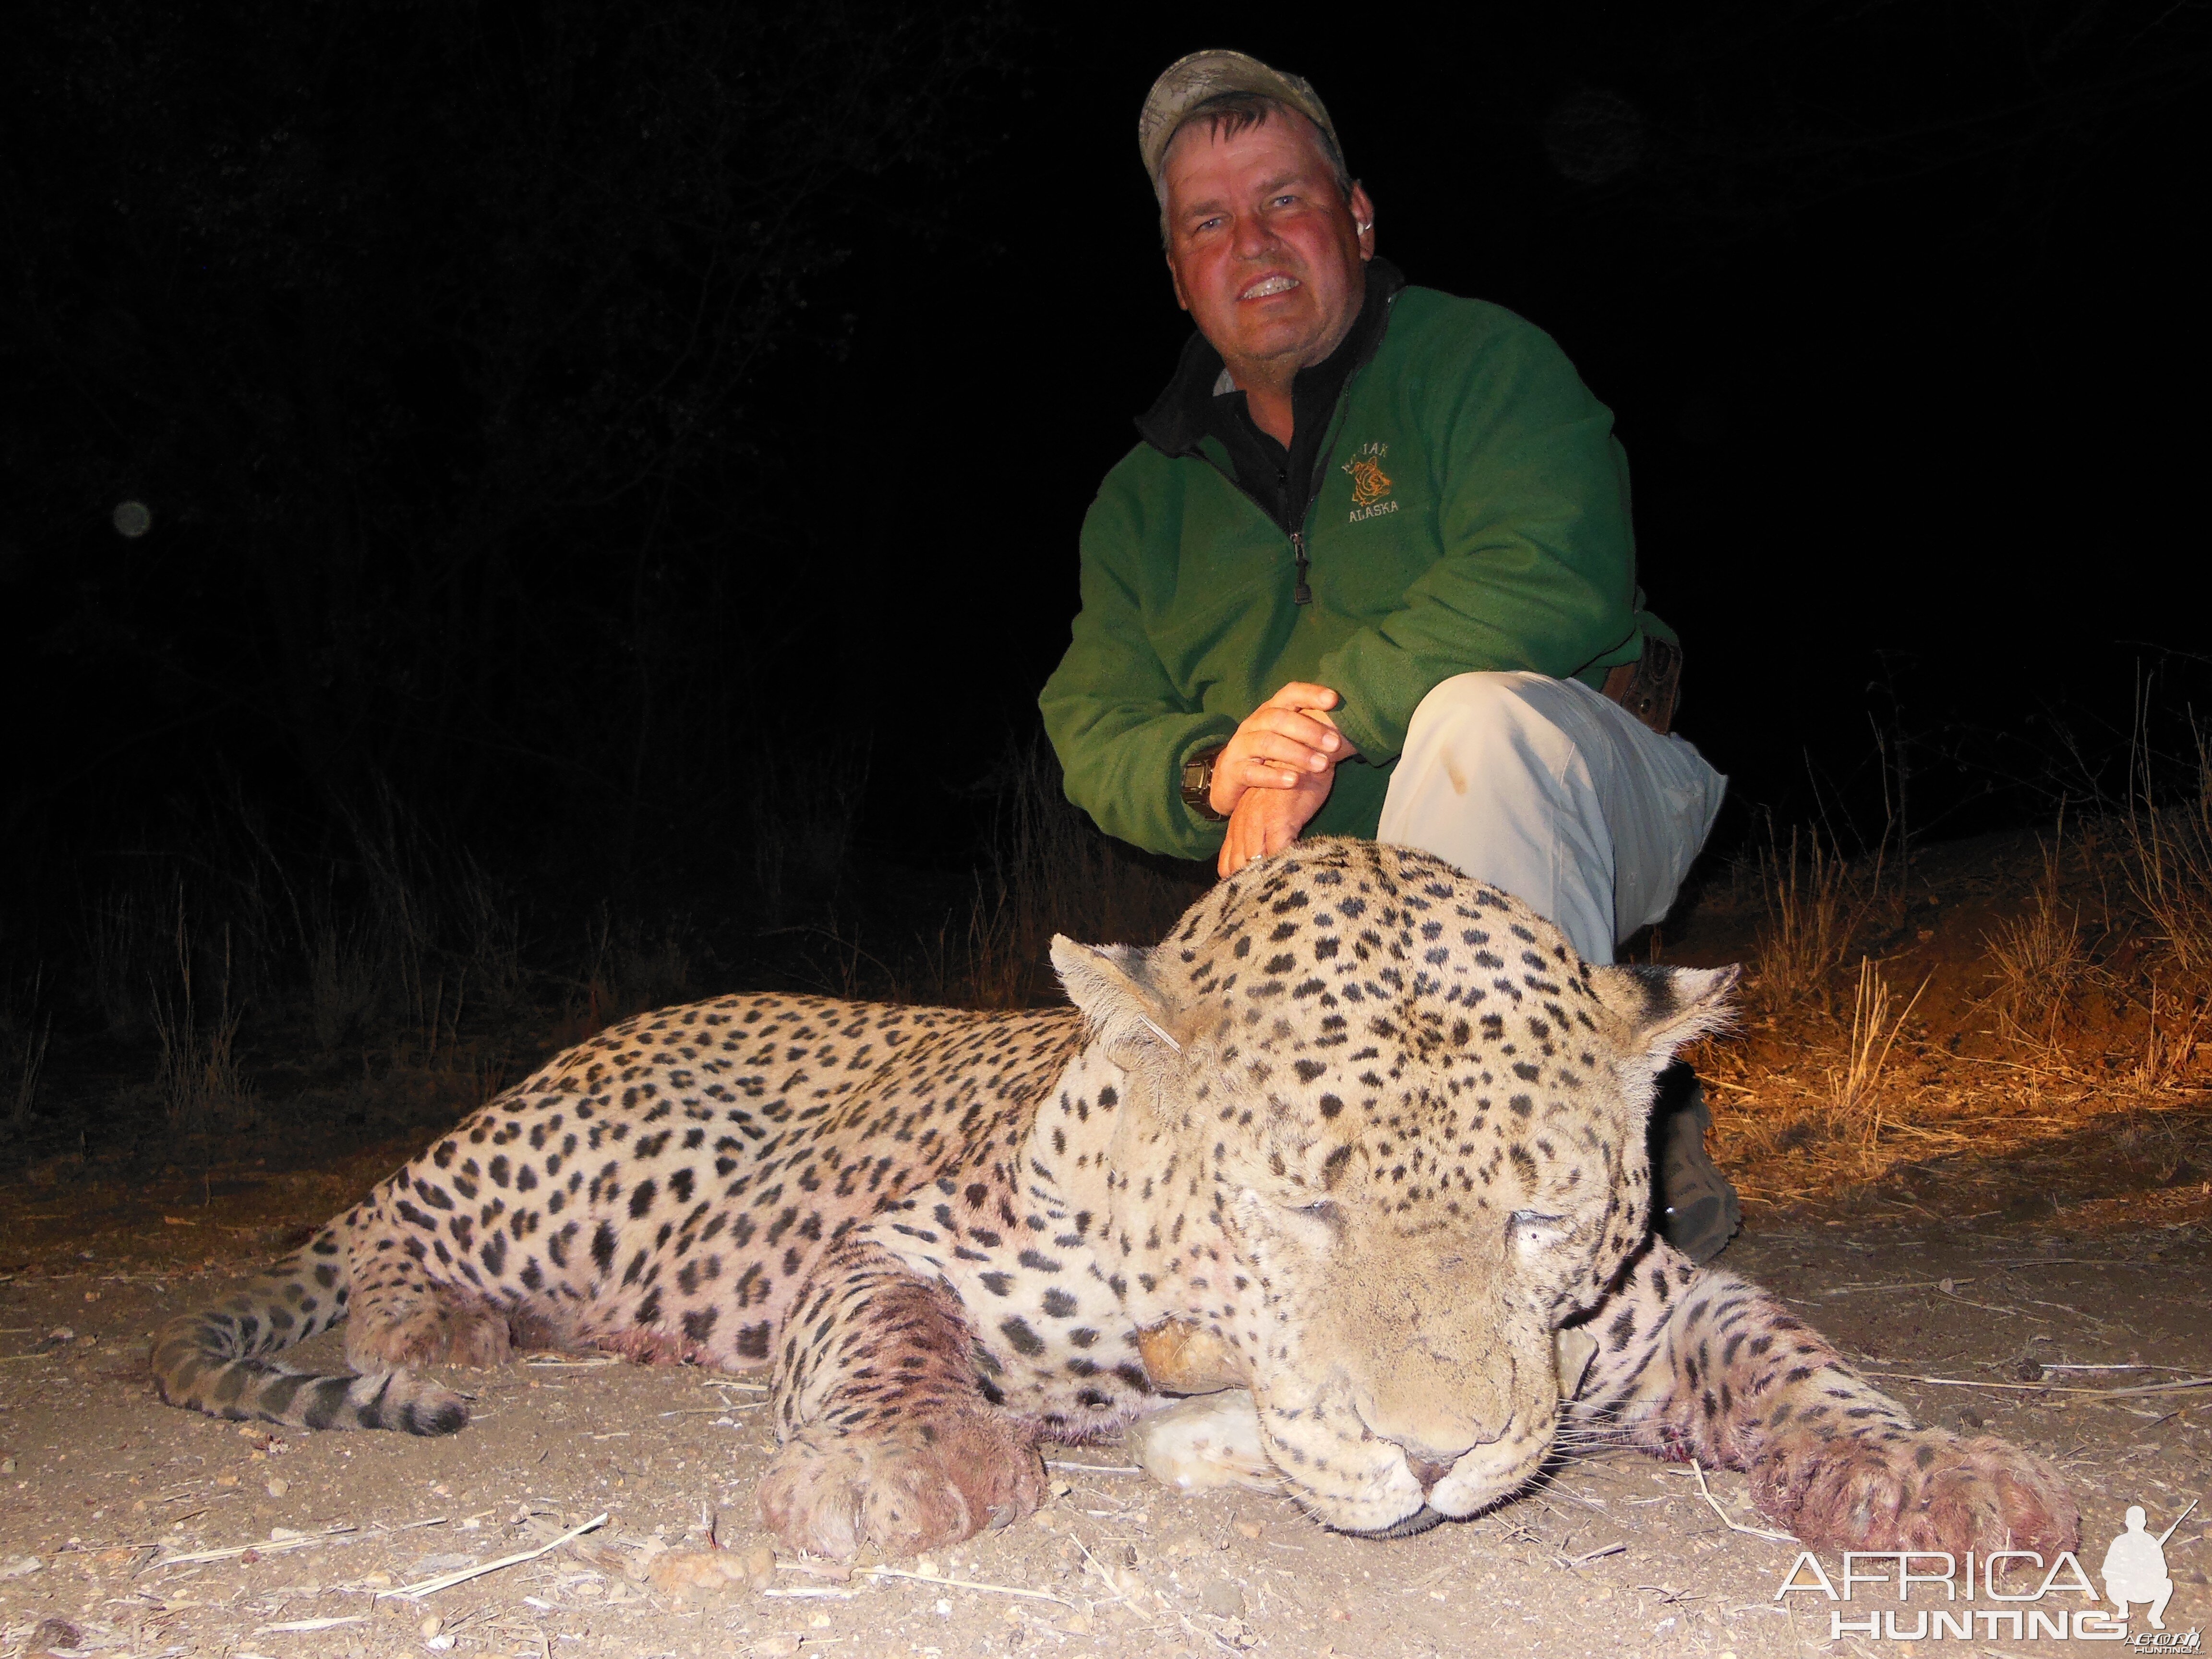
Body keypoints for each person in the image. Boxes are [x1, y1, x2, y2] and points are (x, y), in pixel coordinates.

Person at [1038, 49, 1740, 1260]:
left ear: (1356, 218)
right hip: (1314, 898)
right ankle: (1615, 1120)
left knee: (1482, 729)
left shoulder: (1485, 363)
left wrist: (1319, 723)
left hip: (1582, 786)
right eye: (1210, 222)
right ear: (1176, 273)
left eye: (1286, 201)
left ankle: (1538, 1213)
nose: (1252, 242)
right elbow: (1091, 716)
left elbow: (1554, 569)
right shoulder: (1137, 502)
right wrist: (1218, 768)